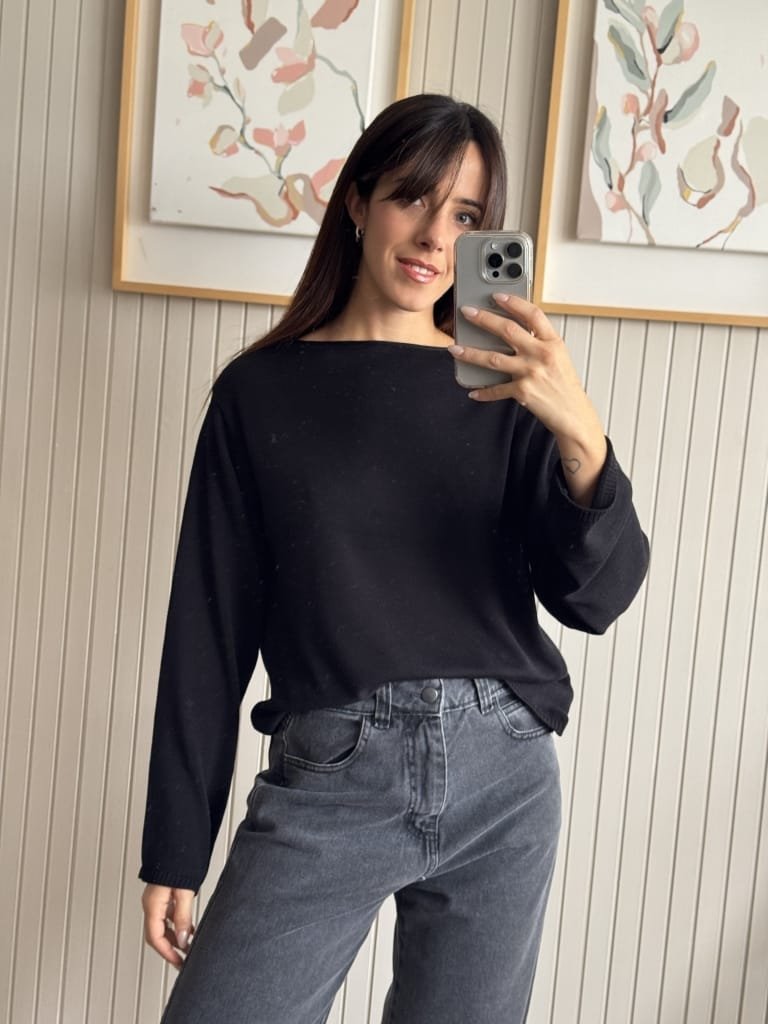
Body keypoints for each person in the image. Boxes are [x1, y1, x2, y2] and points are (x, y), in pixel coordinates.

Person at [139, 93, 649, 1023]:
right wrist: (177, 844)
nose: (434, 237)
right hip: (332, 772)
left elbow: (596, 599)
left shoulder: (509, 389)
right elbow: (208, 628)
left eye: (466, 215)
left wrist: (581, 436)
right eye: (414, 197)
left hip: (504, 774)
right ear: (358, 200)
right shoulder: (259, 393)